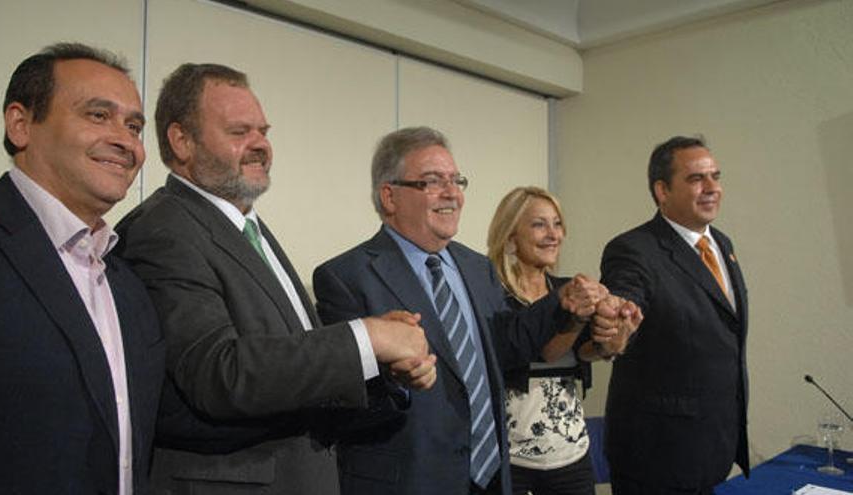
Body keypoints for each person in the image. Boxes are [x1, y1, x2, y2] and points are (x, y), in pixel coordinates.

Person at [115, 63, 435, 495]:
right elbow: (218, 373)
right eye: (239, 131)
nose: (260, 145)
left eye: (263, 131)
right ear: (182, 140)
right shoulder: (164, 230)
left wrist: (380, 367)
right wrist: (366, 338)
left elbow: (292, 376)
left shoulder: (246, 226)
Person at [312, 127, 626, 495]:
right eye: (433, 182)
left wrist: (562, 303)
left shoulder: (477, 267)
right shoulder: (346, 277)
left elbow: (509, 345)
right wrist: (394, 381)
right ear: (390, 196)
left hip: (490, 478)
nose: (452, 193)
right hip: (412, 482)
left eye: (456, 180)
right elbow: (337, 403)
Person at [0, 43, 164, 494]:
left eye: (134, 126)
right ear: (21, 124)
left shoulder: (127, 281)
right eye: (98, 115)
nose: (125, 142)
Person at [600, 136, 749, 494]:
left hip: (713, 445)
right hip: (658, 457)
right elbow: (626, 299)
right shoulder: (633, 250)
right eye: (697, 178)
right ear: (662, 190)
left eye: (715, 176)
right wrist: (619, 322)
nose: (712, 187)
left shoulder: (722, 244)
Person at [486, 186, 638, 495]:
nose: (553, 234)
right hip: (511, 460)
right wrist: (576, 317)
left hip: (571, 455)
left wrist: (616, 336)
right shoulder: (491, 296)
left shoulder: (568, 288)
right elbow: (543, 352)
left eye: (557, 224)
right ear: (511, 237)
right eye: (539, 224)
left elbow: (585, 352)